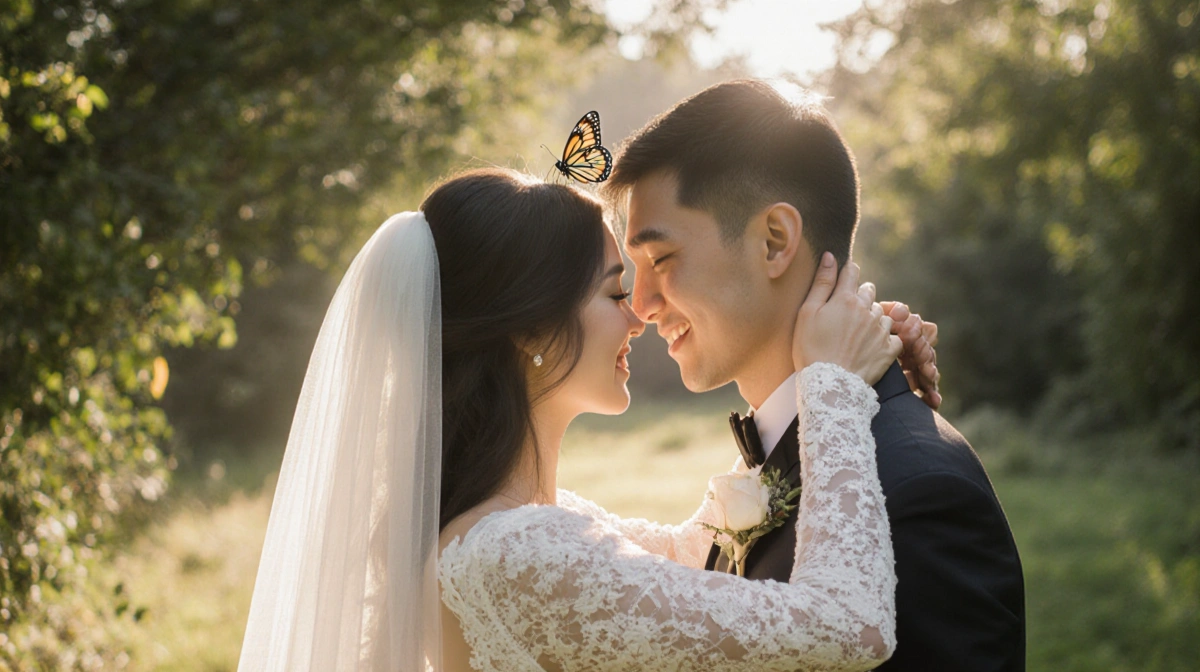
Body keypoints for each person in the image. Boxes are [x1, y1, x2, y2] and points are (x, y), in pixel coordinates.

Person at [236, 167, 941, 671]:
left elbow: (699, 551)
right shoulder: (517, 552)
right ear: (532, 332)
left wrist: (830, 359)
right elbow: (849, 628)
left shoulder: (518, 527)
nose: (639, 317)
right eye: (613, 295)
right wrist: (831, 387)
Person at [603, 79, 1026, 671]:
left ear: (775, 241)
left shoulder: (919, 489)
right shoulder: (784, 452)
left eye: (661, 260)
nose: (641, 304)